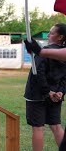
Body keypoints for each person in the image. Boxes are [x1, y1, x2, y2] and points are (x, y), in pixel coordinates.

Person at [24, 23, 66, 151]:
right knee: (56, 126)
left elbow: (38, 74)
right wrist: (60, 91)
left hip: (37, 95)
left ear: (60, 37)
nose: (48, 35)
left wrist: (48, 92)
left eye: (52, 33)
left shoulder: (46, 52)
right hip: (55, 95)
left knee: (38, 127)